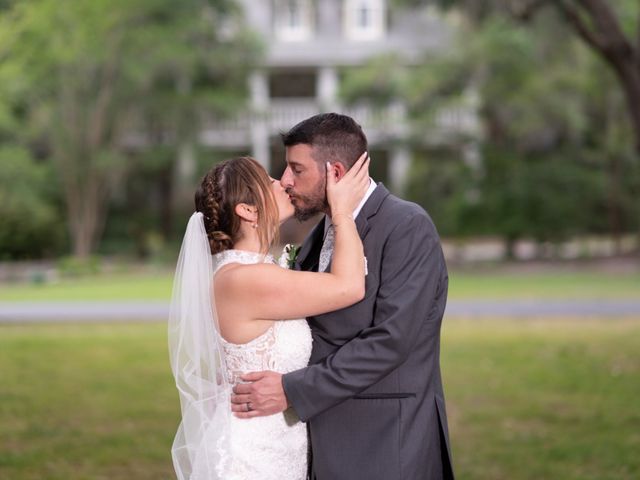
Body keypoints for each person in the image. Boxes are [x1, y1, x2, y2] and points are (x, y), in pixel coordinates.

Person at [231, 113, 455, 479]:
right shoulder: (322, 230)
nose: (285, 181)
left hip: (383, 443)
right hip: (319, 441)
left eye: (296, 169)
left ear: (334, 172)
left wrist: (291, 390)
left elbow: (390, 340)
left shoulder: (407, 226)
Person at [168, 153, 370, 480]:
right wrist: (343, 211)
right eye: (268, 181)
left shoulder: (254, 270)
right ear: (248, 210)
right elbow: (349, 287)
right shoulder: (242, 279)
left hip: (279, 450)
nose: (282, 182)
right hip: (249, 459)